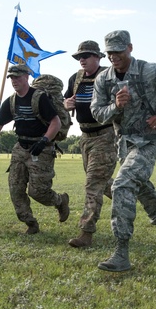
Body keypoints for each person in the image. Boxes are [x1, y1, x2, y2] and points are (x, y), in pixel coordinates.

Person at [90, 30, 156, 272]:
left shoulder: (150, 71)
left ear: (130, 48)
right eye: (110, 53)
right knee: (141, 188)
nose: (114, 57)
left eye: (118, 51)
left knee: (122, 184)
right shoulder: (104, 80)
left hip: (148, 141)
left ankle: (121, 251)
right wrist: (116, 105)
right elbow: (96, 112)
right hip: (124, 144)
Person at [0, 63, 71, 234]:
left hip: (41, 148)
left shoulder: (39, 98)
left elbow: (56, 122)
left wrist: (44, 140)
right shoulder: (11, 101)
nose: (14, 80)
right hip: (20, 148)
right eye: (11, 77)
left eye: (17, 77)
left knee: (38, 191)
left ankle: (60, 201)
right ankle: (30, 223)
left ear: (26, 77)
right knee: (15, 188)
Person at [63, 40, 117, 248]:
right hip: (85, 137)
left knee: (93, 184)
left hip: (105, 134)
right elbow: (65, 101)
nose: (82, 60)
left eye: (86, 56)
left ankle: (86, 232)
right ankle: (126, 195)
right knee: (100, 182)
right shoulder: (75, 79)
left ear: (98, 57)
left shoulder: (108, 77)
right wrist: (65, 104)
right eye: (79, 57)